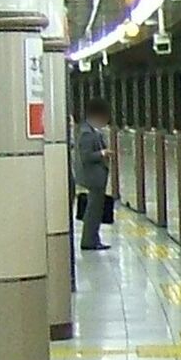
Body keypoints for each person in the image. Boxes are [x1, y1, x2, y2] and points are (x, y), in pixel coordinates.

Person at [76, 101, 113, 249]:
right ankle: (89, 241)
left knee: (95, 212)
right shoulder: (87, 133)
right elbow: (86, 156)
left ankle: (93, 239)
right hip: (93, 178)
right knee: (93, 212)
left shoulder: (91, 130)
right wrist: (102, 153)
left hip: (96, 178)